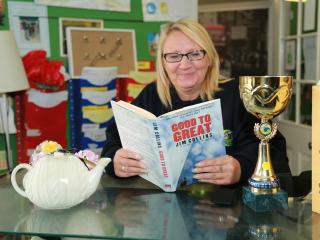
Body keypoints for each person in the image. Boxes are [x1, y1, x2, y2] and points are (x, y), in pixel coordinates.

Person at [101, 18, 292, 187]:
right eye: (174, 56)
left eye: (194, 54)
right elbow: (113, 137)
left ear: (209, 58)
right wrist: (116, 159)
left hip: (225, 213)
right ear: (163, 62)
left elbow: (273, 150)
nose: (184, 64)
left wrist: (241, 167)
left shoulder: (238, 95)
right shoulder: (152, 95)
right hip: (164, 210)